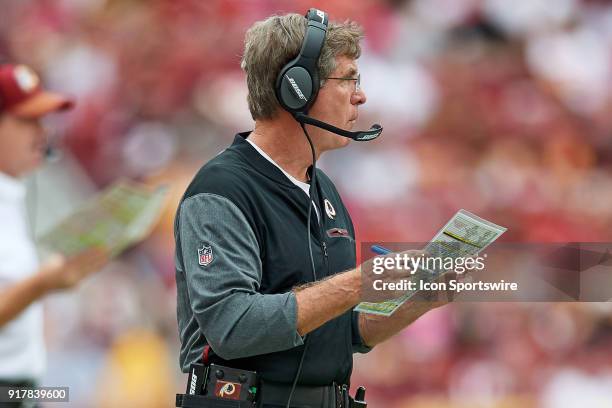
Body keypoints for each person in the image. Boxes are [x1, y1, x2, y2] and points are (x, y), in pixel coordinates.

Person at [174, 10, 446, 407]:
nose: (361, 95)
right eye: (349, 79)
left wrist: (422, 298)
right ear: (296, 90)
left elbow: (340, 331)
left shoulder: (325, 191)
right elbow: (231, 326)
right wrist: (359, 282)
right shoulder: (221, 191)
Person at [0, 63, 108, 403]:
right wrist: (43, 283)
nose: (42, 133)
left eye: (43, 120)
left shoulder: (12, 191)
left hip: (20, 388)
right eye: (27, 120)